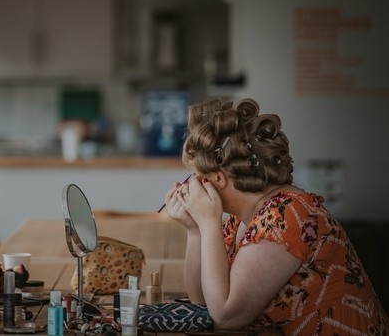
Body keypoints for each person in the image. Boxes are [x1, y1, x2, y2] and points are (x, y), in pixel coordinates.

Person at [163, 98, 388, 334]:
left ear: (218, 179)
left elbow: (226, 316)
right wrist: (195, 230)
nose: (192, 185)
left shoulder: (289, 214)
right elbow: (203, 305)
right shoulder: (242, 219)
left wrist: (209, 224)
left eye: (195, 176)